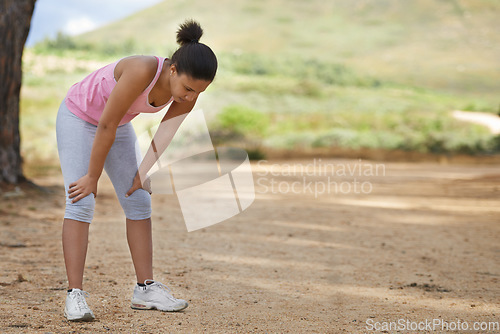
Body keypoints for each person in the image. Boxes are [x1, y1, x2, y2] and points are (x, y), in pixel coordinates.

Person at [55, 19, 217, 321]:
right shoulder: (141, 70)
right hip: (79, 118)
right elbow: (105, 123)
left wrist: (143, 172)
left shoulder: (188, 93)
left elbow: (164, 134)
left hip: (116, 126)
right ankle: (74, 296)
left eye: (199, 92)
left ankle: (145, 289)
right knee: (81, 200)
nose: (191, 97)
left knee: (138, 198)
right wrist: (92, 177)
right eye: (188, 88)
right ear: (172, 70)